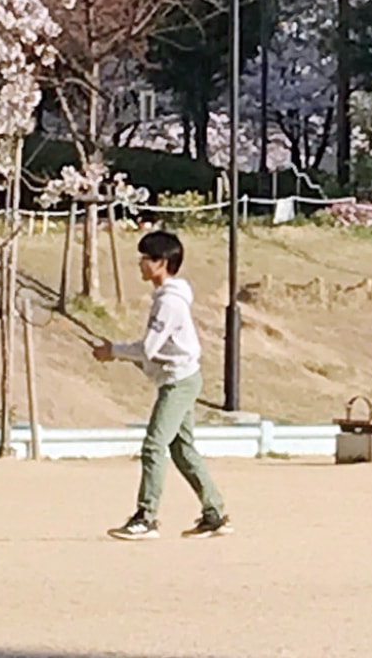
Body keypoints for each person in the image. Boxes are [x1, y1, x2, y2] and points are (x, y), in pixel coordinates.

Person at [92, 229, 232, 540]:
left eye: (147, 258)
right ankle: (214, 513)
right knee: (182, 449)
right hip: (180, 378)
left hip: (179, 381)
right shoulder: (166, 299)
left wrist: (113, 351)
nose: (141, 264)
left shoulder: (169, 303)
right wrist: (116, 351)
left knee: (154, 446)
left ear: (162, 262)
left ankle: (146, 516)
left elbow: (147, 350)